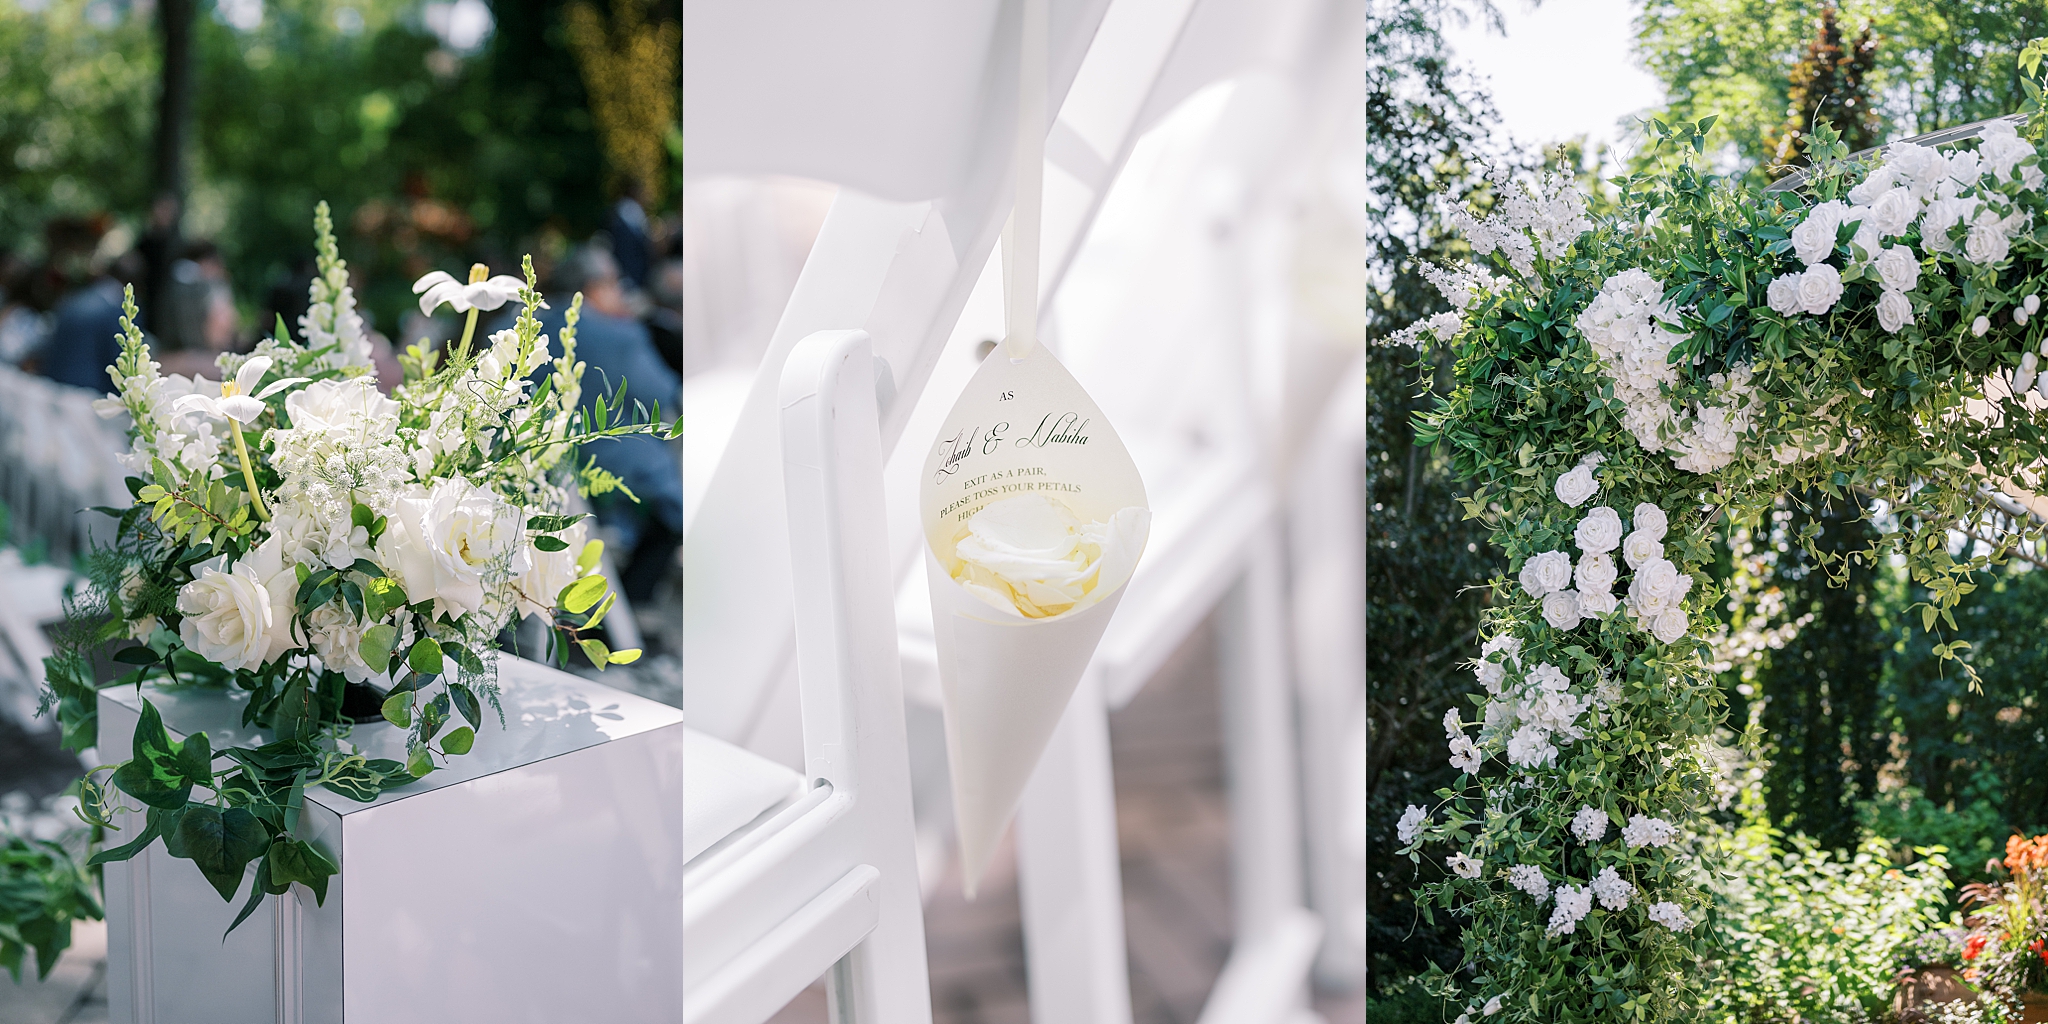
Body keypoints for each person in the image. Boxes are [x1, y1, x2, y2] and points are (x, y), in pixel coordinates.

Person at [514, 245, 682, 608]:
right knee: (676, 503)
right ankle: (635, 601)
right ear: (595, 288)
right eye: (615, 283)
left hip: (529, 471)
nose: (621, 291)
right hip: (601, 470)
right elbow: (664, 393)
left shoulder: (514, 325)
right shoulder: (618, 336)